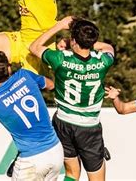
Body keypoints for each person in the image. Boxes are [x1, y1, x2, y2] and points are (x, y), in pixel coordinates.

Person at [30, 16, 115, 181]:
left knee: (71, 174)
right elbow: (108, 47)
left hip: (63, 122)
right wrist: (86, 42)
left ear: (74, 40)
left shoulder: (60, 59)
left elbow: (34, 47)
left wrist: (59, 26)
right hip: (89, 127)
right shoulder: (104, 61)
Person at [0, 51, 63, 181]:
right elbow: (50, 84)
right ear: (8, 68)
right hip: (56, 151)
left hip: (31, 160)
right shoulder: (25, 75)